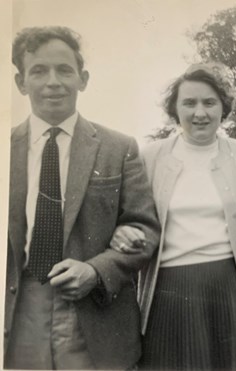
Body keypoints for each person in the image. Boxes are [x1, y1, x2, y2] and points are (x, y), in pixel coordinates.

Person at [110, 62, 236, 370]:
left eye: (209, 102)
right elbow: (127, 216)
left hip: (233, 291)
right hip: (169, 293)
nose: (199, 112)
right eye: (189, 103)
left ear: (223, 108)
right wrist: (121, 232)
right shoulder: (149, 158)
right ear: (175, 109)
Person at [6, 26, 160, 369]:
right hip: (18, 315)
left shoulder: (118, 148)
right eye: (38, 71)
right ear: (20, 83)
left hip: (94, 315)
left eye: (64, 70)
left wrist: (95, 271)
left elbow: (145, 229)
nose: (53, 82)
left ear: (83, 78)